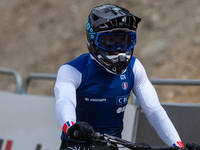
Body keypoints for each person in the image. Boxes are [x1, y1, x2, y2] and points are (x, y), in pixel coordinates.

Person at [54, 4, 191, 150]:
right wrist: (70, 126)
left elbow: (154, 110)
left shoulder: (135, 67)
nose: (119, 49)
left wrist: (178, 145)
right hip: (76, 146)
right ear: (93, 40)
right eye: (111, 42)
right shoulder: (72, 70)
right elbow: (65, 102)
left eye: (125, 41)